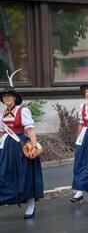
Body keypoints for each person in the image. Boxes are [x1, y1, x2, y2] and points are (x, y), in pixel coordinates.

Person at [0, 69, 43, 219]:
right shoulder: (2, 114)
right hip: (6, 147)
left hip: (21, 146)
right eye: (4, 96)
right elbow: (1, 132)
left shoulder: (23, 111)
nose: (6, 98)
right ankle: (8, 197)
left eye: (9, 96)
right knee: (5, 174)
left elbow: (30, 130)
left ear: (15, 98)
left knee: (25, 175)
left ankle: (31, 203)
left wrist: (35, 146)